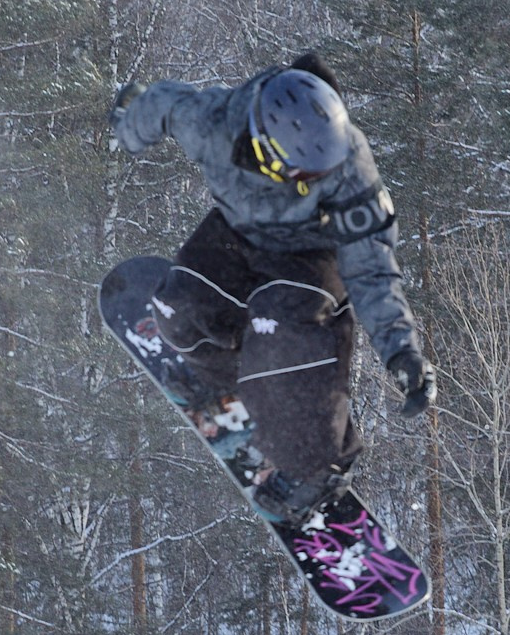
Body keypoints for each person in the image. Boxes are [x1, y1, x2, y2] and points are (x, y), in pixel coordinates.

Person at [110, 54, 435, 526]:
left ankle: (320, 464)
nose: (315, 181)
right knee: (177, 310)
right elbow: (160, 104)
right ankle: (237, 373)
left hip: (312, 260)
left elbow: (373, 269)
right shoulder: (213, 123)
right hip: (239, 234)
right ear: (265, 147)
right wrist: (126, 127)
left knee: (280, 331)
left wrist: (401, 352)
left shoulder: (349, 168)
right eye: (304, 173)